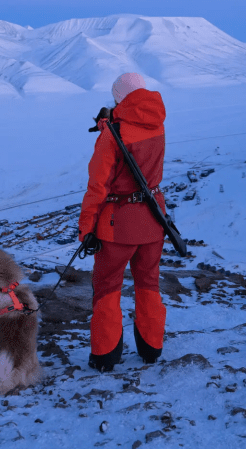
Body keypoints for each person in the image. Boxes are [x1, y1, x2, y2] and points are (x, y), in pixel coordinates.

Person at [78, 72, 168, 372]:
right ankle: (151, 349)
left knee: (107, 288)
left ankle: (105, 356)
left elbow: (98, 187)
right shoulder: (157, 122)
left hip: (119, 225)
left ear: (118, 98)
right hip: (155, 220)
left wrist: (87, 228)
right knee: (148, 284)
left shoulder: (112, 135)